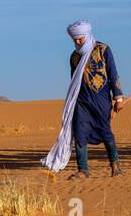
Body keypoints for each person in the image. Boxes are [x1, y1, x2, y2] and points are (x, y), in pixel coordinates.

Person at [41, 20, 126, 180]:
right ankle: (83, 170)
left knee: (105, 131)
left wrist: (118, 97)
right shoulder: (74, 56)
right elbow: (74, 81)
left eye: (80, 38)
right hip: (80, 101)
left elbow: (113, 74)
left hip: (100, 100)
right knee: (80, 133)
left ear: (87, 35)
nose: (77, 41)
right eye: (75, 39)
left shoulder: (103, 50)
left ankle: (115, 165)